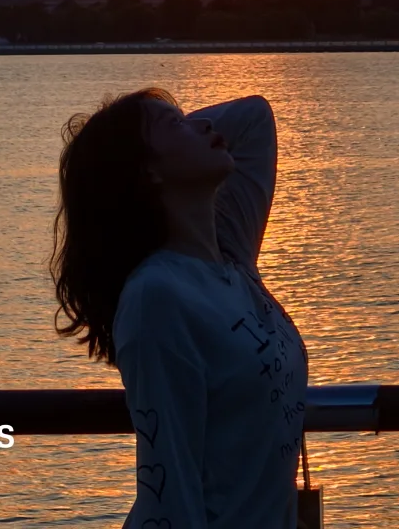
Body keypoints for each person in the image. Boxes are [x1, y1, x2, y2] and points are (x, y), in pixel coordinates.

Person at [50, 88, 309, 527]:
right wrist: (120, 143)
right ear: (146, 171)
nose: (204, 125)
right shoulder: (157, 297)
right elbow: (171, 484)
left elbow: (254, 117)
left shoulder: (232, 258)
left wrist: (171, 133)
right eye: (176, 124)